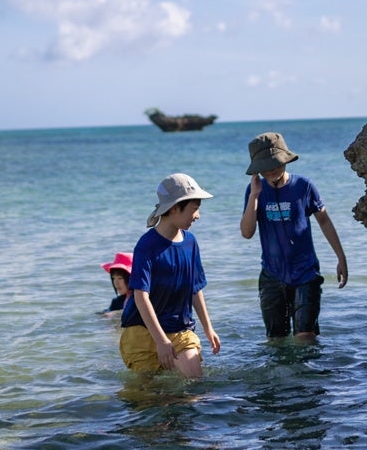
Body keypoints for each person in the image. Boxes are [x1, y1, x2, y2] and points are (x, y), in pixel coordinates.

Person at [238, 132, 348, 340]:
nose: (271, 172)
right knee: (276, 341)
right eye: (265, 168)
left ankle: (308, 373)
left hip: (305, 274)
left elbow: (324, 220)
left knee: (305, 338)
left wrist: (341, 257)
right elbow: (247, 232)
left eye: (276, 165)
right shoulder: (254, 191)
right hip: (272, 275)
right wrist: (254, 195)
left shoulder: (303, 186)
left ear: (286, 160)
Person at [119, 174, 221, 378]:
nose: (198, 215)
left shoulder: (190, 242)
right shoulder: (147, 246)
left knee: (195, 386)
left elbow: (195, 289)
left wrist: (208, 328)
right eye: (194, 208)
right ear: (175, 207)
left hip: (179, 330)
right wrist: (161, 341)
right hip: (142, 331)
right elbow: (141, 297)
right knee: (154, 399)